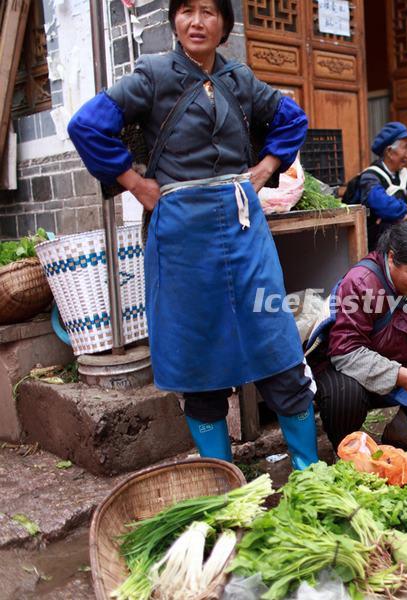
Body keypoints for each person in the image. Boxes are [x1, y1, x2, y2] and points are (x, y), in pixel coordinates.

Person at [67, 0, 318, 469]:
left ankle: (309, 473)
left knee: (275, 343)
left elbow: (292, 119)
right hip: (181, 238)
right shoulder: (153, 75)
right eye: (186, 10)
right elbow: (87, 126)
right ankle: (220, 481)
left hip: (244, 231)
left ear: (224, 23)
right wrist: (137, 184)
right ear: (174, 21)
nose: (196, 22)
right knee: (198, 356)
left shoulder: (240, 79)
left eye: (208, 11)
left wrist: (264, 169)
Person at [314, 219, 407, 452]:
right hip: (360, 376)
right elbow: (346, 352)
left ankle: (402, 427)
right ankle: (348, 452)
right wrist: (399, 375)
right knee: (342, 395)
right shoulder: (361, 283)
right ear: (392, 258)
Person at [359, 122, 407, 250]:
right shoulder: (370, 176)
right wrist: (406, 208)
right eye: (405, 148)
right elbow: (383, 206)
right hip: (380, 242)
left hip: (405, 237)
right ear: (389, 152)